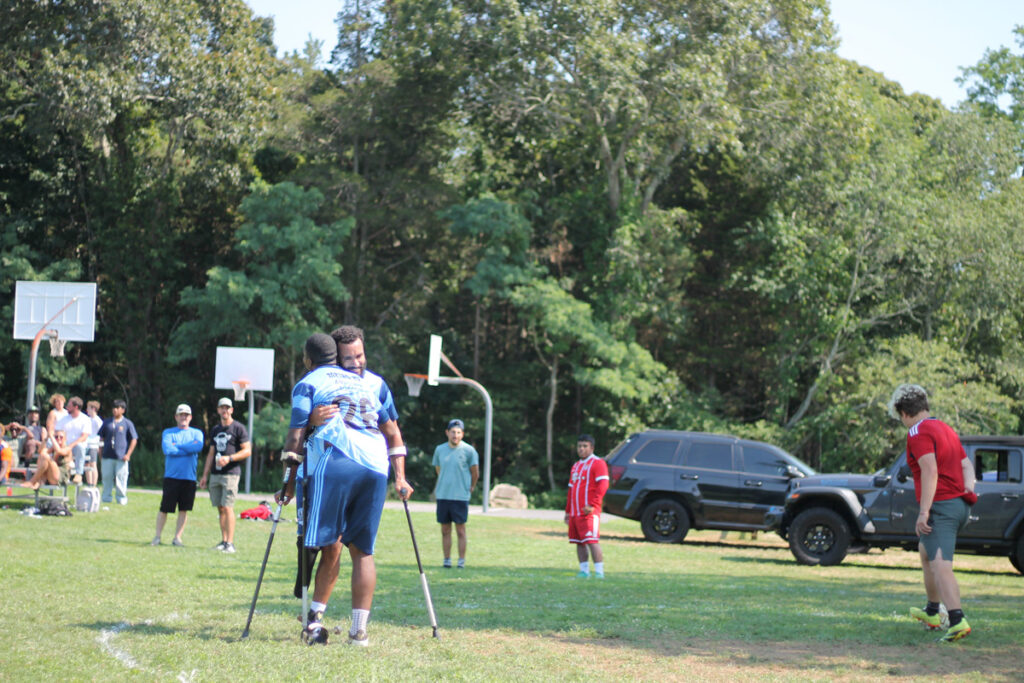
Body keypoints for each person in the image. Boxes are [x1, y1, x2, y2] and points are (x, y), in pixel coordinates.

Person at [278, 333, 411, 647]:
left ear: (308, 360)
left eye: (359, 356)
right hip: (375, 465)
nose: (355, 362)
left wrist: (286, 484)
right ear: (336, 357)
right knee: (362, 551)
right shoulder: (362, 386)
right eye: (348, 357)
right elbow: (388, 431)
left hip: (337, 459)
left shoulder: (310, 382)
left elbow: (295, 439)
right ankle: (357, 632)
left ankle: (312, 624)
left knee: (316, 540)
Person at [889, 384, 975, 643]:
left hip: (942, 506)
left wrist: (924, 511)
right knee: (926, 552)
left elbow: (930, 470)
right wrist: (968, 491)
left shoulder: (917, 431)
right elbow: (967, 465)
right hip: (959, 505)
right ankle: (932, 611)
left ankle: (957, 620)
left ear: (904, 413)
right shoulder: (945, 428)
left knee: (940, 564)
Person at [199, 397, 251, 553]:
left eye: (227, 408)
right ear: (218, 410)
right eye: (222, 407)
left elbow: (247, 451)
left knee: (228, 507)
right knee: (220, 508)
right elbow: (211, 453)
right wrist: (205, 475)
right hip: (216, 474)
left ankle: (230, 543)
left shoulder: (238, 428)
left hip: (231, 474)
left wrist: (229, 458)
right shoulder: (216, 430)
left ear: (232, 410)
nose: (224, 410)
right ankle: (224, 541)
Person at [152, 404, 205, 547]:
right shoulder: (168, 433)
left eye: (186, 415)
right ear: (176, 417)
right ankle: (157, 537)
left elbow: (198, 446)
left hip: (189, 478)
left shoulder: (196, 433)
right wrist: (188, 448)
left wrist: (178, 446)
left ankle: (177, 538)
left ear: (190, 417)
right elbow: (168, 450)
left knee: (183, 509)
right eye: (181, 415)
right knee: (164, 508)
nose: (184, 417)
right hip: (172, 477)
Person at [432, 418, 479, 569]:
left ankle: (461, 560)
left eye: (458, 432)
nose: (455, 435)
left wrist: (471, 486)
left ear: (462, 434)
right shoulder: (440, 450)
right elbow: (438, 469)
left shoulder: (469, 451)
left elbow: (475, 472)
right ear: (447, 433)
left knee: (460, 530)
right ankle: (447, 560)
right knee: (445, 530)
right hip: (443, 495)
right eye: (453, 432)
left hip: (460, 497)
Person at [564, 434, 609, 578]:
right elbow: (571, 490)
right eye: (579, 446)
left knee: (592, 541)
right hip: (575, 512)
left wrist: (593, 505)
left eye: (585, 446)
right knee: (579, 542)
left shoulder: (598, 463)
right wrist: (568, 511)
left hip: (589, 512)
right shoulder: (576, 466)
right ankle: (584, 571)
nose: (581, 449)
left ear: (592, 448)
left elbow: (603, 485)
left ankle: (599, 573)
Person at [97, 399, 138, 505]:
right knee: (106, 478)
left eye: (117, 408)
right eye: (113, 408)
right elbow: (101, 438)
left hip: (121, 457)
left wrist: (128, 454)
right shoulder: (107, 422)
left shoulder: (127, 423)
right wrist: (100, 453)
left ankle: (121, 499)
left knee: (121, 479)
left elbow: (134, 439)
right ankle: (106, 499)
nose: (114, 410)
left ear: (123, 410)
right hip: (107, 456)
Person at [85, 400, 103, 481]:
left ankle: (93, 483)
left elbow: (101, 434)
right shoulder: (87, 419)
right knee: (87, 464)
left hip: (94, 445)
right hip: (86, 444)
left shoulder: (98, 420)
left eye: (88, 408)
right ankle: (89, 483)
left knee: (93, 464)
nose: (87, 410)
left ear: (93, 409)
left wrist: (99, 446)